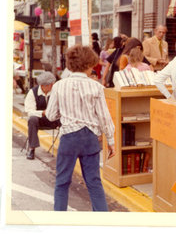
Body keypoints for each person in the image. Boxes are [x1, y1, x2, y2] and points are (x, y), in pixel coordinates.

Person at [46, 44, 116, 211]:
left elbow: (50, 115)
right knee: (94, 183)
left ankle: (59, 222)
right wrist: (111, 141)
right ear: (89, 64)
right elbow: (104, 117)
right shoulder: (97, 87)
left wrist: (64, 115)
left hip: (69, 138)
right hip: (90, 137)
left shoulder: (59, 86)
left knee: (62, 182)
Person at [24, 71, 61, 160]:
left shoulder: (56, 92)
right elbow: (29, 111)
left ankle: (65, 150)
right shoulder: (33, 92)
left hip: (54, 119)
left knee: (65, 120)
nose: (52, 86)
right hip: (40, 120)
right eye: (50, 84)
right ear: (43, 85)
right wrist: (43, 113)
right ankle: (32, 149)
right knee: (32, 119)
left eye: (52, 84)